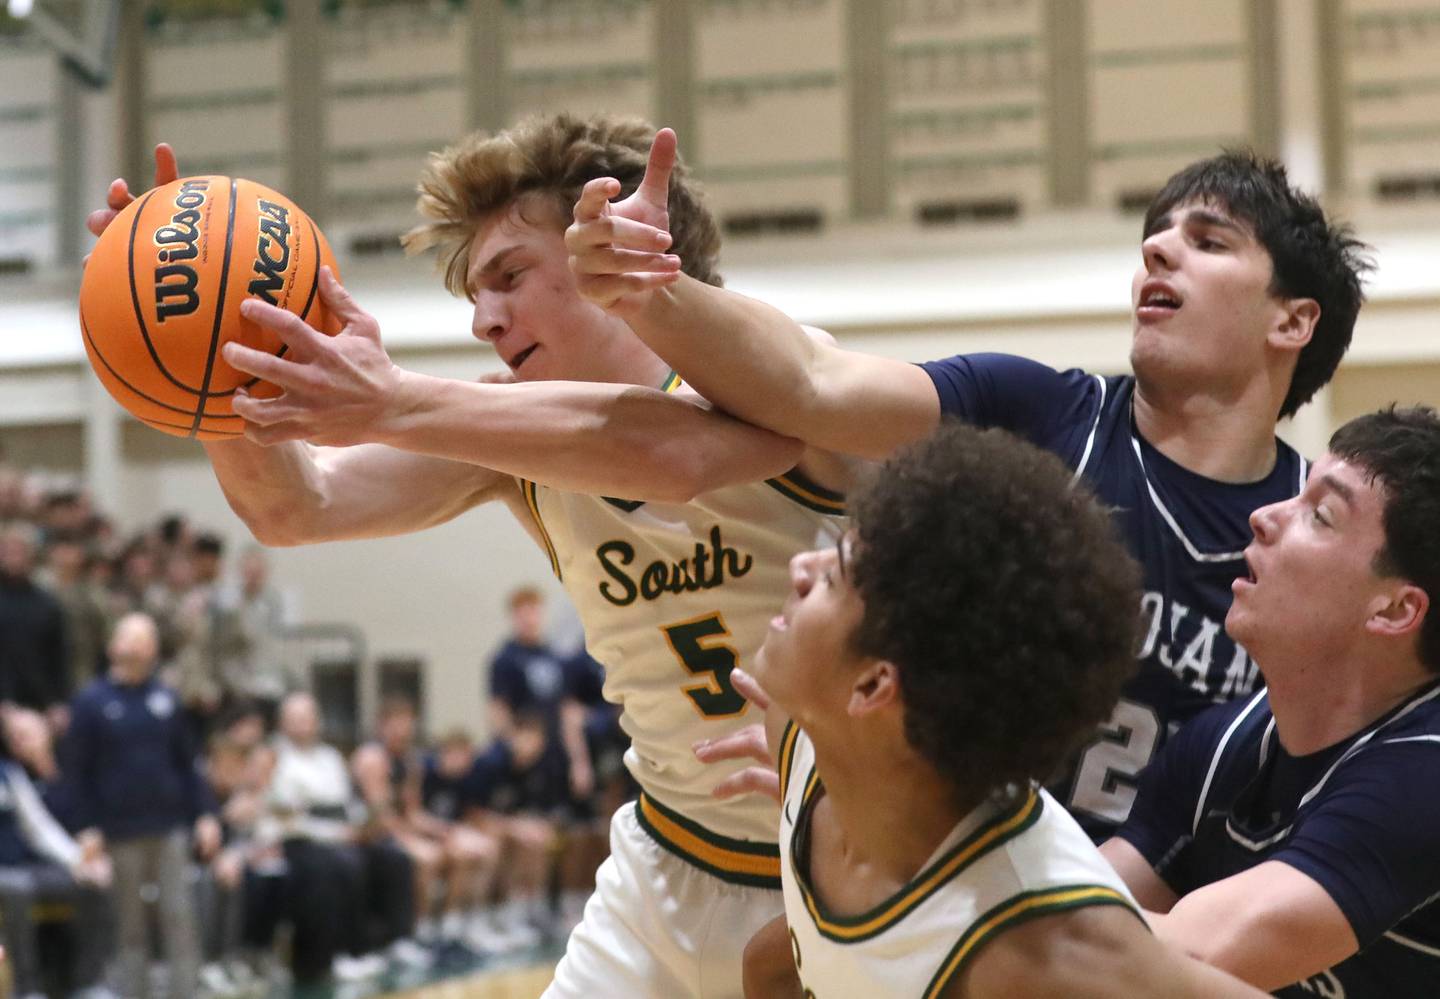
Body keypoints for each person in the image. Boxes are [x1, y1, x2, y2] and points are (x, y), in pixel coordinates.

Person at [90, 114, 850, 997]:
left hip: (842, 861)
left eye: (510, 277)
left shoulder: (790, 375)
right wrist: (220, 361)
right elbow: (295, 505)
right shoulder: (506, 436)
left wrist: (393, 400)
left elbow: (667, 451)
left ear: (621, 247)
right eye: (474, 297)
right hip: (667, 859)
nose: (487, 320)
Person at [567, 135, 1372, 841]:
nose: (1158, 251)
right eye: (1155, 236)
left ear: (1292, 322)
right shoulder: (1041, 411)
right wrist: (648, 290)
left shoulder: (1320, 534)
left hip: (1162, 934)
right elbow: (810, 382)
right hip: (966, 887)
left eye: (1208, 241)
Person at [737, 422, 1264, 998]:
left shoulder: (1043, 949)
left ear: (872, 687)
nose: (799, 568)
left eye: (831, 578)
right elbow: (780, 958)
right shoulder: (803, 732)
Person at [1101, 406, 1440, 996]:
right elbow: (1088, 914)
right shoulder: (1220, 746)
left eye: (1320, 515)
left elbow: (1180, 958)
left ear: (1394, 610)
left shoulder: (1426, 778)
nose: (1263, 517)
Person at [68, 612, 221, 999]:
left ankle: (185, 993)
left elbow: (188, 764)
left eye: (145, 639)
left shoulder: (166, 699)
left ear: (154, 649)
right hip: (119, 833)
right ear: (113, 645)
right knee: (128, 925)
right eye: (130, 637)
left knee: (179, 918)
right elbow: (77, 773)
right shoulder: (91, 702)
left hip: (168, 827)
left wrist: (205, 815)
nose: (137, 646)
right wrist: (87, 828)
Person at [0, 709, 112, 999]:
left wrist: (79, 860)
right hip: (8, 876)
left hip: (25, 866)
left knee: (90, 884)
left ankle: (89, 984)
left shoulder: (8, 773)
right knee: (16, 888)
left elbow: (38, 828)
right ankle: (28, 988)